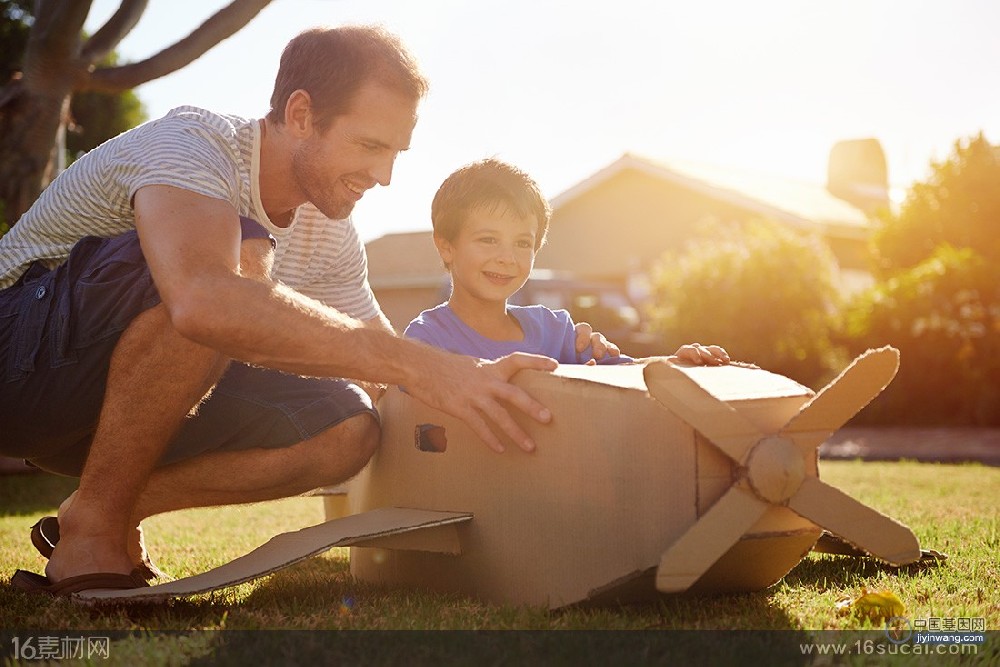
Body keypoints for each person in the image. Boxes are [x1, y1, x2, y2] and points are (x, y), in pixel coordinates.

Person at [0, 27, 605, 596]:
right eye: (370, 145)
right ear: (300, 114)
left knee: (349, 421)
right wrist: (421, 367)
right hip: (17, 371)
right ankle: (96, 539)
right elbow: (205, 300)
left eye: (396, 151)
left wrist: (483, 387)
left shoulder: (329, 229)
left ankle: (102, 508)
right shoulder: (192, 147)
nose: (385, 175)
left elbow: (382, 362)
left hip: (109, 413)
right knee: (225, 277)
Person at [405, 159, 731, 367]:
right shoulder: (426, 342)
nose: (507, 257)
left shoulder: (556, 331)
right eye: (488, 239)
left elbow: (629, 375)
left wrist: (675, 363)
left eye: (523, 243)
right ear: (446, 247)